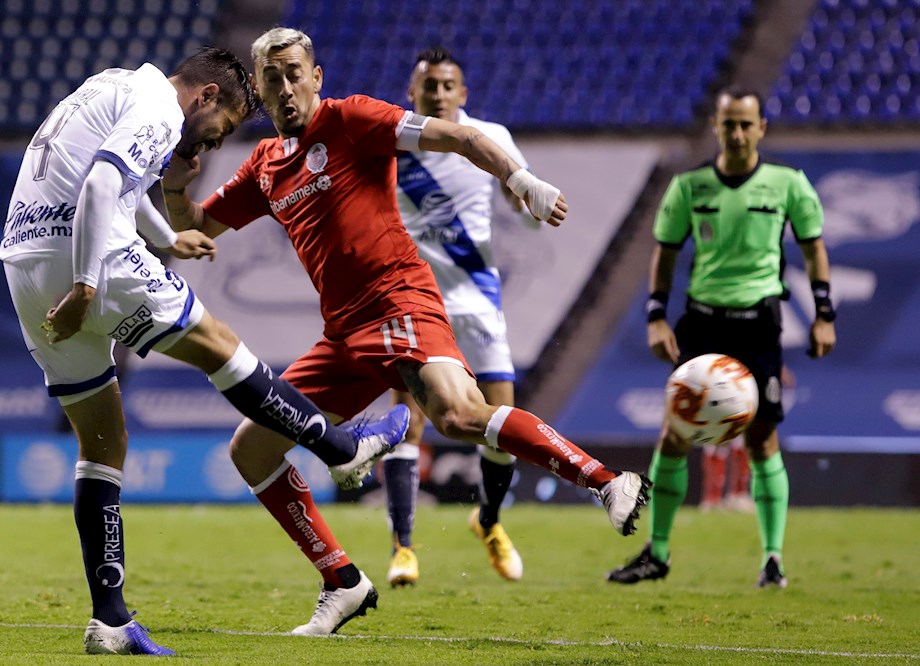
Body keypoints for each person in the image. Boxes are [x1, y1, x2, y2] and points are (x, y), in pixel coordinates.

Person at [162, 27, 651, 635]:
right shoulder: (264, 164)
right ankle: (341, 580)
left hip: (399, 299)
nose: (285, 88)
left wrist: (520, 180)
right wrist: (177, 179)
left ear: (317, 78)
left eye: (294, 73)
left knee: (458, 415)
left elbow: (463, 136)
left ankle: (606, 481)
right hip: (342, 334)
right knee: (251, 448)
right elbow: (197, 227)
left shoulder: (353, 120)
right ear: (259, 92)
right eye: (272, 79)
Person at [0, 47, 408, 655]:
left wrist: (167, 236)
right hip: (86, 256)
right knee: (218, 344)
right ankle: (341, 448)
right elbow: (105, 182)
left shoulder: (111, 85)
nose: (213, 146)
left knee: (103, 439)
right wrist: (86, 286)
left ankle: (109, 619)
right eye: (223, 131)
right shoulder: (162, 109)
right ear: (206, 97)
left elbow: (118, 178)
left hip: (23, 265)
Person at [606, 86, 836, 589]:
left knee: (762, 438)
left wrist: (823, 314)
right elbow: (664, 255)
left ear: (761, 128)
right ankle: (658, 553)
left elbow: (814, 249)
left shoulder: (788, 184)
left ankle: (773, 559)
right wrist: (655, 317)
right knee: (675, 433)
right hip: (702, 324)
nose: (736, 133)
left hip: (759, 324)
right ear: (716, 126)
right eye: (728, 124)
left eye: (745, 124)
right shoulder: (688, 187)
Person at [382, 47, 540, 587]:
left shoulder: (491, 136)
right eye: (430, 86)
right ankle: (403, 549)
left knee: (502, 425)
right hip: (417, 300)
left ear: (463, 93)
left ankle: (489, 521)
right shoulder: (395, 143)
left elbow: (520, 193)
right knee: (409, 419)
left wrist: (531, 203)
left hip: (479, 300)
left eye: (449, 85)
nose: (440, 94)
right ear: (414, 92)